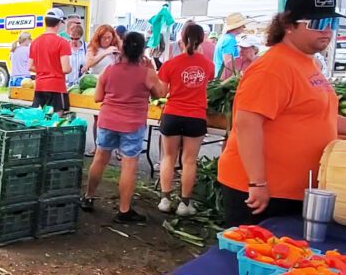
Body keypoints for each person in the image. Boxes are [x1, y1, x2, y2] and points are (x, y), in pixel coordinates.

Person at [217, 0, 346, 225]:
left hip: (295, 189)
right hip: (264, 192)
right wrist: (257, 182)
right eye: (317, 23)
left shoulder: (309, 63)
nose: (327, 30)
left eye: (331, 23)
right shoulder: (272, 68)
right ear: (289, 25)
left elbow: (319, 116)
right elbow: (247, 125)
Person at [80, 32, 165, 223]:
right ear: (142, 51)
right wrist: (151, 67)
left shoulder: (109, 70)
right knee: (128, 165)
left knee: (100, 158)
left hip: (107, 120)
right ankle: (124, 211)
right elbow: (160, 93)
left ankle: (88, 197)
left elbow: (97, 98)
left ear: (122, 47)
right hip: (132, 124)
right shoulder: (147, 73)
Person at [157, 23, 215, 216]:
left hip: (172, 113)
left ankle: (165, 200)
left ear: (181, 38)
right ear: (202, 40)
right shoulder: (208, 65)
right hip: (196, 116)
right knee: (189, 161)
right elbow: (208, 83)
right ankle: (185, 204)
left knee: (168, 157)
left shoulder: (170, 64)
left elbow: (162, 92)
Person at [28, 8, 73, 110]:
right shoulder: (62, 42)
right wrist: (70, 68)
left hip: (39, 86)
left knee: (40, 121)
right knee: (56, 122)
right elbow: (66, 69)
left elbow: (30, 66)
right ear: (59, 23)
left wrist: (44, 69)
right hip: (56, 87)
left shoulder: (35, 42)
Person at [213, 12, 247, 77]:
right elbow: (228, 64)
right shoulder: (230, 40)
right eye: (243, 25)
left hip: (220, 76)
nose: (244, 28)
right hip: (224, 78)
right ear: (238, 26)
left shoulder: (225, 37)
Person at [65, 14, 88, 86]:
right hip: (66, 84)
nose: (74, 41)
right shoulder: (64, 46)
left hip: (82, 84)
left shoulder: (86, 47)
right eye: (72, 38)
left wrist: (87, 66)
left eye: (76, 39)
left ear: (81, 36)